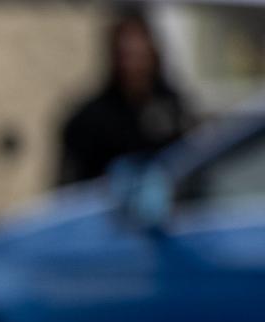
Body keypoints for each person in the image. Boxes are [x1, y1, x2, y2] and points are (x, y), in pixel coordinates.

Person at [57, 7, 195, 188]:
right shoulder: (92, 119)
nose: (134, 66)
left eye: (140, 56)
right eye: (127, 56)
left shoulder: (171, 107)